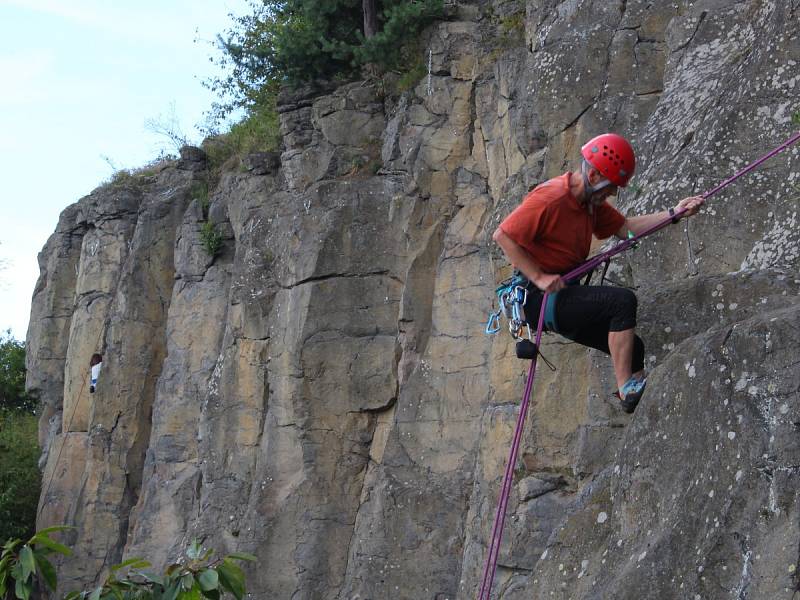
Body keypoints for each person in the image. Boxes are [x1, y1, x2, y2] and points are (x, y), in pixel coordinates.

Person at [492, 133, 704, 413]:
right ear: (593, 175)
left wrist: (675, 213)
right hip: (538, 298)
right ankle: (626, 387)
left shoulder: (590, 206)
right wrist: (540, 277)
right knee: (621, 302)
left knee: (634, 350)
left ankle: (635, 408)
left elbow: (626, 229)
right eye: (611, 186)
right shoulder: (552, 198)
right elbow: (503, 235)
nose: (613, 194)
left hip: (561, 295)